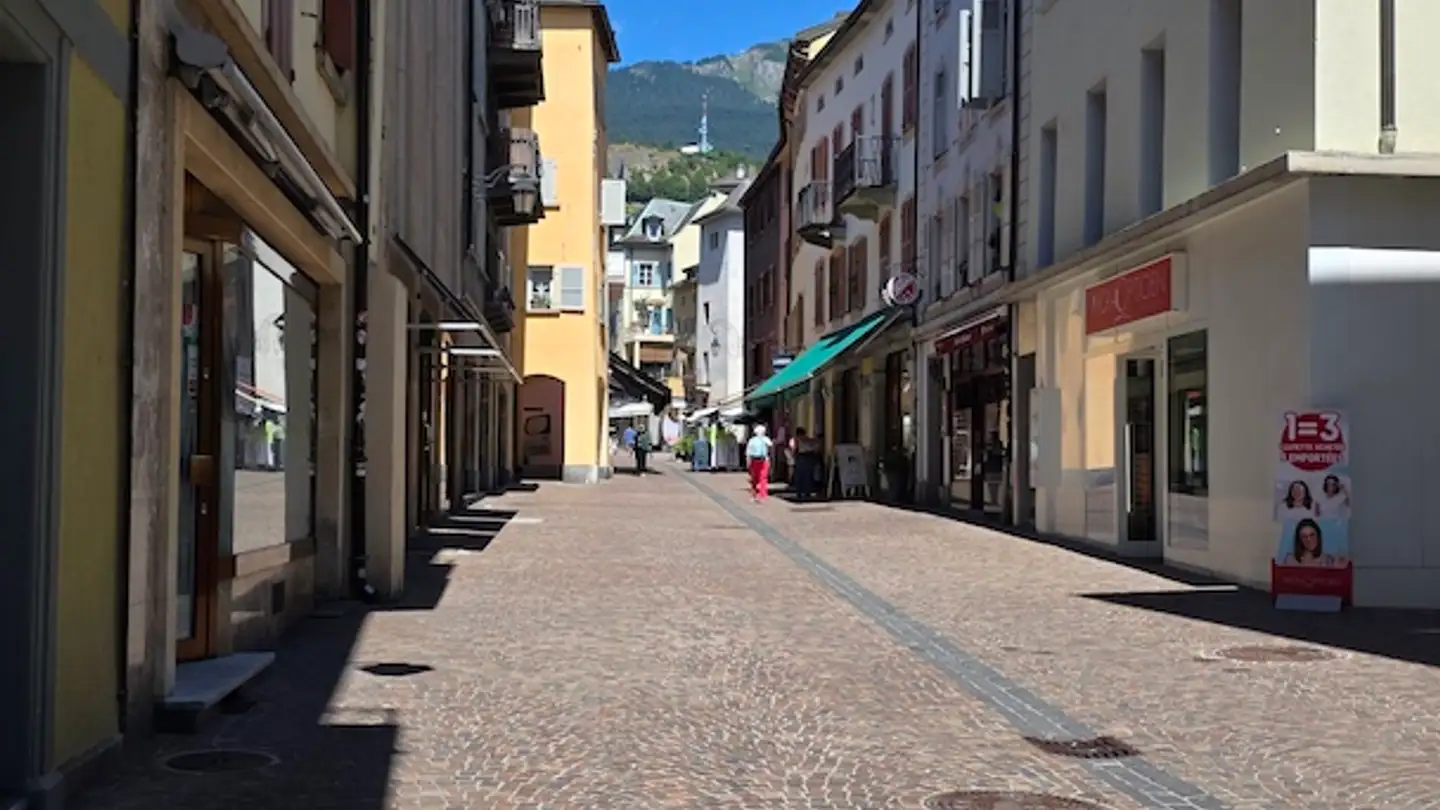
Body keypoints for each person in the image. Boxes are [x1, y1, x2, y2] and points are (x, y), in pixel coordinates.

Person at [790, 427, 821, 500]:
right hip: (809, 457)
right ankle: (807, 491)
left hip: (801, 457)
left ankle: (800, 492)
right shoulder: (809, 440)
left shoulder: (796, 440)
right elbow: (816, 448)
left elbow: (795, 449)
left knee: (800, 475)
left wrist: (794, 456)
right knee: (808, 475)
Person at [745, 425, 774, 502]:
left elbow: (748, 453)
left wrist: (748, 463)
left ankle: (753, 494)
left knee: (754, 478)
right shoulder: (765, 439)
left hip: (754, 461)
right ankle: (763, 494)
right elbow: (771, 445)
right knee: (763, 478)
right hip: (764, 460)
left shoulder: (751, 440)